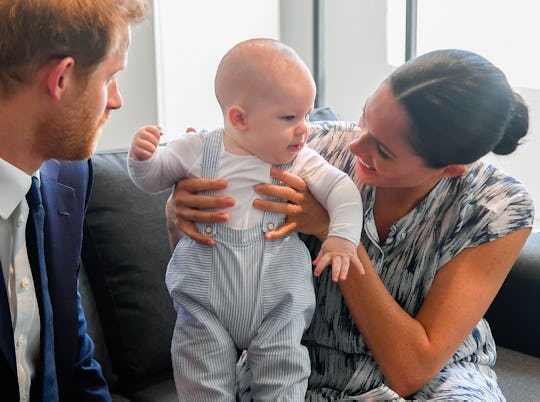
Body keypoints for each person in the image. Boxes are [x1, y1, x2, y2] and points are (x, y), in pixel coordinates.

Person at [168, 48, 535, 400]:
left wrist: (334, 230)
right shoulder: (306, 149)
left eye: (384, 151)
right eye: (365, 118)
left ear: (451, 169)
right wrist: (182, 214)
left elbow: (411, 370)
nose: (356, 146)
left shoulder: (496, 207)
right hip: (300, 364)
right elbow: (211, 276)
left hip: (436, 380)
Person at [128, 38, 364, 400]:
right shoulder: (197, 148)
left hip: (278, 300)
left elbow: (342, 189)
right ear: (239, 118)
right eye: (289, 117)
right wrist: (143, 160)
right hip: (204, 301)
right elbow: (153, 179)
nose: (304, 129)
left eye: (306, 114)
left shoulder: (299, 159)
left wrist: (342, 237)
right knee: (200, 377)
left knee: (284, 373)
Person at [0, 1, 149, 400]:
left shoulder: (67, 175)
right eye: (110, 77)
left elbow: (74, 356)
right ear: (61, 78)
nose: (115, 100)